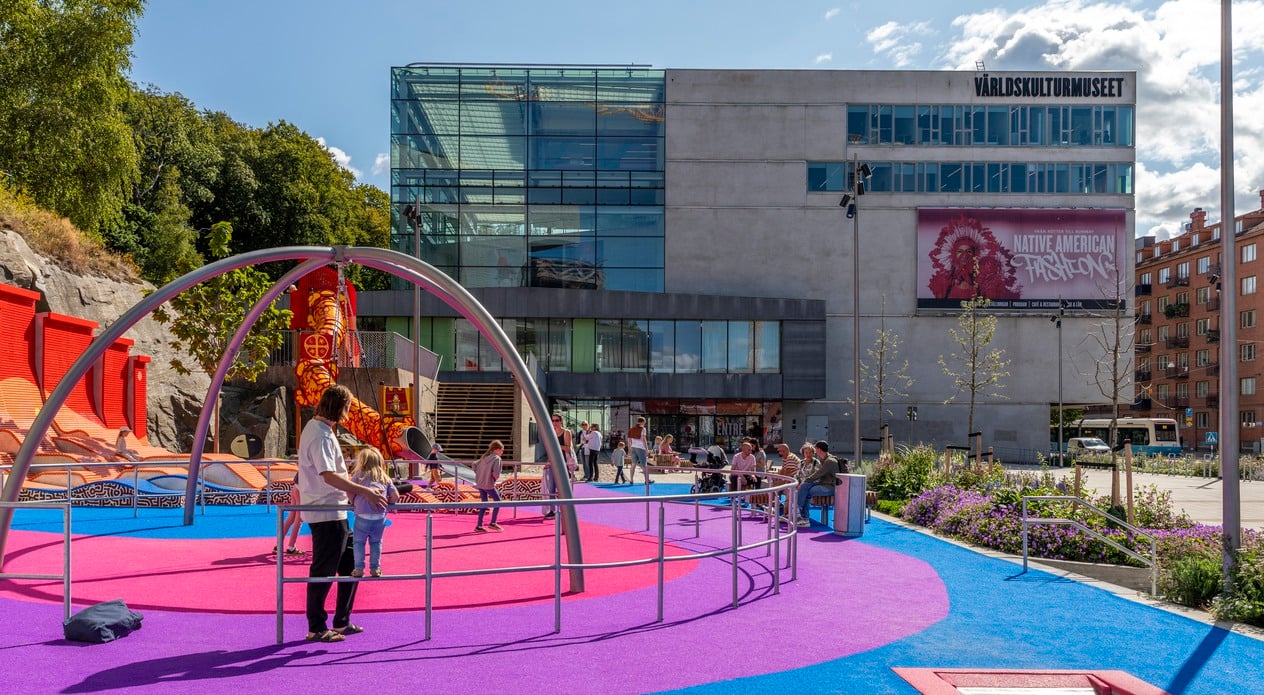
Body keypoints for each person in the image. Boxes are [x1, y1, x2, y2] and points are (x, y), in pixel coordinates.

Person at [297, 385, 388, 643]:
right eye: (347, 406)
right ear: (338, 406)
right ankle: (316, 626)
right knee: (324, 568)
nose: (349, 412)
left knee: (351, 565)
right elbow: (328, 475)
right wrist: (364, 492)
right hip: (325, 512)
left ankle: (342, 619)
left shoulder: (322, 431)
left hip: (335, 511)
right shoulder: (321, 435)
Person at [348, 447, 399, 578]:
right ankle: (375, 568)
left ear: (362, 462)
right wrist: (389, 502)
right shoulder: (384, 477)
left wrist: (353, 501)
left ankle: (359, 568)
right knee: (376, 542)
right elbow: (395, 496)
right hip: (379, 517)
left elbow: (350, 490)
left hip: (362, 515)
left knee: (359, 542)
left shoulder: (358, 476)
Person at [795, 441, 841, 527]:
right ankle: (802, 515)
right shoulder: (824, 459)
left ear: (819, 449)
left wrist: (804, 482)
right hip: (824, 484)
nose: (815, 452)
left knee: (807, 490)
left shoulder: (829, 461)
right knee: (805, 488)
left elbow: (818, 474)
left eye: (815, 449)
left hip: (831, 487)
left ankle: (801, 515)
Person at [542, 414, 576, 519]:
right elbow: (550, 450)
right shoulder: (551, 432)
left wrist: (555, 444)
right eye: (552, 420)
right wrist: (548, 462)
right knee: (550, 487)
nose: (554, 422)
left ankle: (565, 509)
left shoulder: (566, 432)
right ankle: (551, 511)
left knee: (562, 488)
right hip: (553, 462)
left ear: (561, 421)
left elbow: (568, 448)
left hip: (563, 463)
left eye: (556, 420)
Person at [473, 440, 505, 533]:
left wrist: (480, 474)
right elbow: (496, 474)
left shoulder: (485, 457)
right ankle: (493, 523)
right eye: (502, 450)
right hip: (489, 484)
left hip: (480, 483)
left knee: (484, 503)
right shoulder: (497, 459)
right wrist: (492, 478)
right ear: (498, 449)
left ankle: (479, 525)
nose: (502, 453)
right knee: (498, 502)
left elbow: (474, 464)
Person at [275, 485, 305, 556]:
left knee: (291, 518)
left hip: (295, 487)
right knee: (299, 519)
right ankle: (291, 547)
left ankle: (278, 545)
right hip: (301, 490)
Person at [626, 417, 649, 484]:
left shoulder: (632, 429)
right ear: (642, 422)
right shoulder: (643, 429)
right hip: (641, 448)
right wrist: (647, 449)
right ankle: (646, 480)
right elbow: (644, 439)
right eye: (644, 422)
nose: (644, 424)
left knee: (633, 464)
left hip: (633, 447)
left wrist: (629, 449)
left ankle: (631, 480)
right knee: (644, 464)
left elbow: (629, 440)